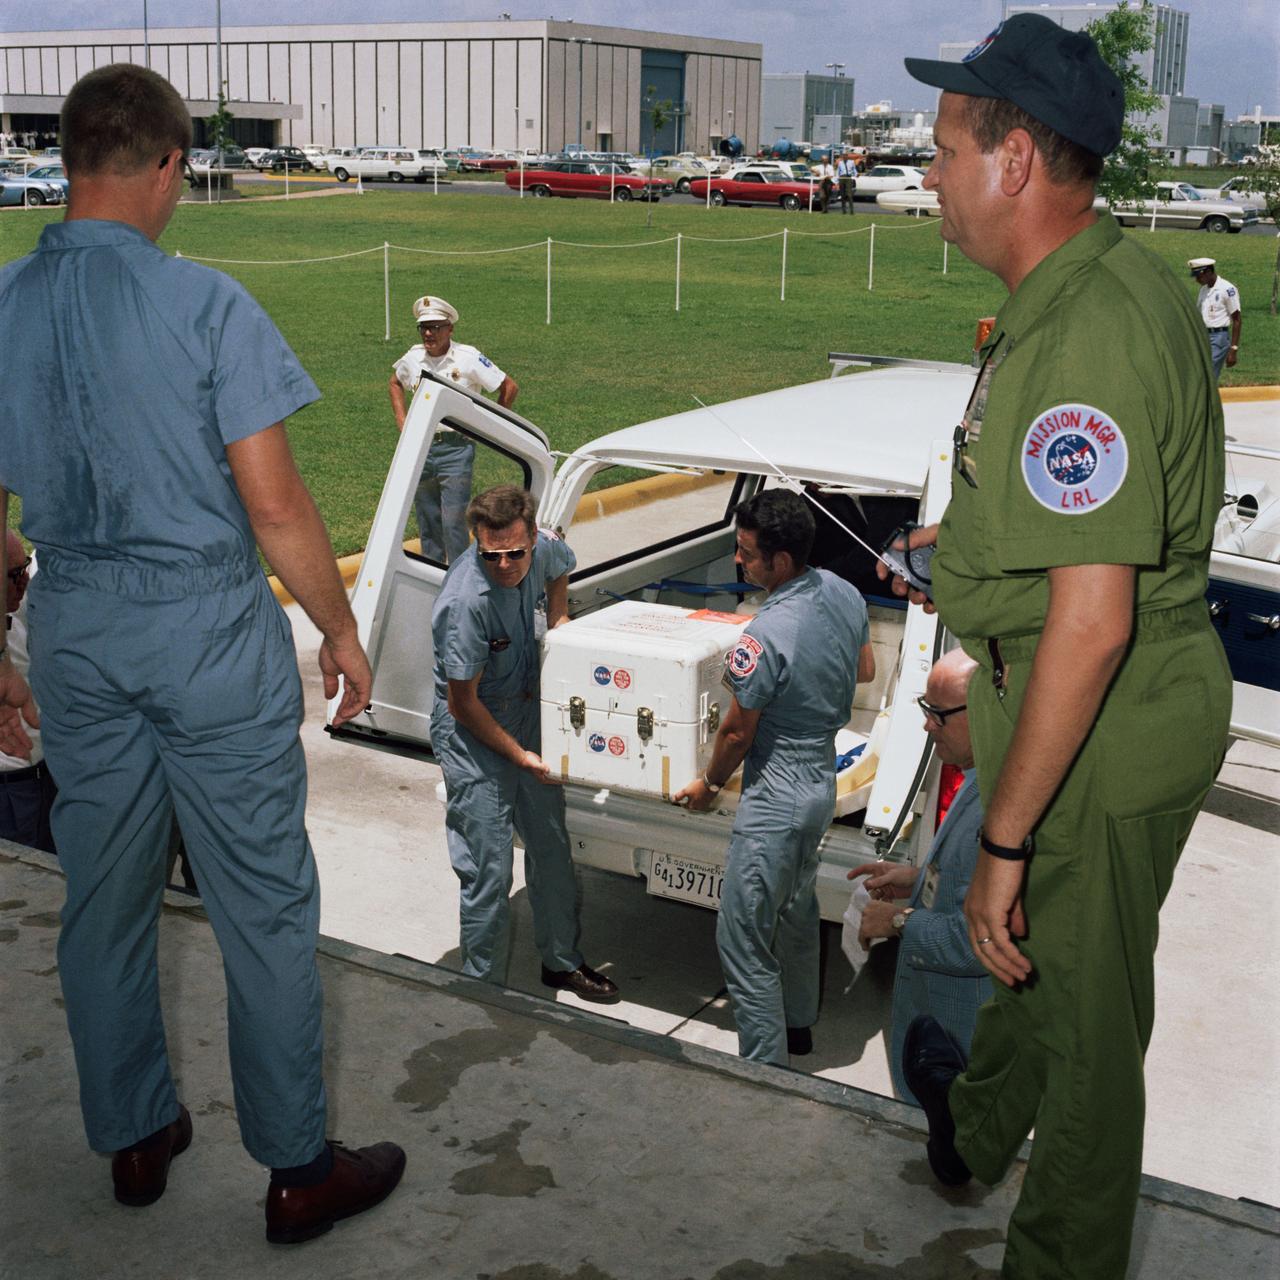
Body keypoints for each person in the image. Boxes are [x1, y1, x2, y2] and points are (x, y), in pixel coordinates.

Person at [0, 64, 405, 1245]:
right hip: (204, 633)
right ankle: (293, 1168)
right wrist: (337, 626)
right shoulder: (208, 305)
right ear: (170, 162)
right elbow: (275, 509)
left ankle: (133, 1135)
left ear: (71, 155)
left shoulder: (7, 306)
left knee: (103, 899)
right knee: (264, 908)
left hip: (75, 625)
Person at [884, 16, 1232, 1278]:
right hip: (1087, 692)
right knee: (1037, 948)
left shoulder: (1085, 328)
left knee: (1085, 1032)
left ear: (1014, 159)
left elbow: (1090, 621)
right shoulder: (1094, 285)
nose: (927, 173)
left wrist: (1001, 834)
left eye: (939, 149)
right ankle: (972, 1126)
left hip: (1109, 713)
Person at [674, 489, 875, 1066]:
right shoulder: (842, 590)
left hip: (778, 796)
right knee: (796, 908)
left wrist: (707, 786)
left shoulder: (763, 634)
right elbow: (864, 669)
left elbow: (737, 732)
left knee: (741, 936)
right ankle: (799, 1025)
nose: (739, 561)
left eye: (745, 552)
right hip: (820, 783)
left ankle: (762, 1070)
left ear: (779, 561)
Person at [431, 484, 619, 1002]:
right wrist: (519, 757)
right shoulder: (465, 602)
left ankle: (560, 961)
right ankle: (482, 989)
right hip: (475, 735)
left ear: (532, 535)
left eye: (517, 552)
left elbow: (559, 567)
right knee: (488, 873)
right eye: (492, 555)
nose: (507, 565)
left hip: (527, 714)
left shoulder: (544, 548)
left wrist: (558, 624)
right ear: (477, 543)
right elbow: (462, 704)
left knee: (552, 850)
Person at [848, 649, 990, 1105]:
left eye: (939, 715)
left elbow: (981, 942)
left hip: (962, 1045)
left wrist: (897, 921)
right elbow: (973, 881)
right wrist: (919, 877)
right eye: (925, 710)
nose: (928, 725)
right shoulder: (976, 776)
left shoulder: (1000, 810)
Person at [389, 294, 518, 564]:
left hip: (456, 449)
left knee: (453, 523)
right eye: (424, 327)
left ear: (450, 329)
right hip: (421, 446)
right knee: (428, 521)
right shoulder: (413, 358)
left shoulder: (467, 358)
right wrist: (403, 423)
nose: (428, 333)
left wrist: (491, 425)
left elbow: (508, 386)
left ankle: (460, 578)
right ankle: (434, 577)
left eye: (435, 327)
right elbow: (394, 383)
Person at [0, 532, 56, 853]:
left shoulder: (20, 611)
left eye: (23, 571)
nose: (23, 583)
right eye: (13, 576)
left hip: (42, 781)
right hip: (11, 792)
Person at [1188, 257, 1242, 379]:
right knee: (1200, 373)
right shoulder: (1203, 290)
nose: (1196, 279)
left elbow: (1237, 319)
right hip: (1203, 336)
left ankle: (1208, 398)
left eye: (1199, 276)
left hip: (1219, 338)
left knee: (1208, 375)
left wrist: (1233, 349)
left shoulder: (1227, 289)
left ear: (1208, 272)